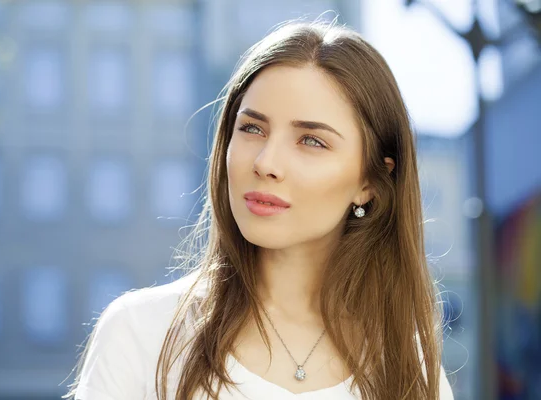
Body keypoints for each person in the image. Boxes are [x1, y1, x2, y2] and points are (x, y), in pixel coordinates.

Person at [66, 19, 455, 400]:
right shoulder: (141, 333)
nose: (266, 162)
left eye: (311, 141)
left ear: (368, 182)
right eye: (252, 129)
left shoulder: (409, 370)